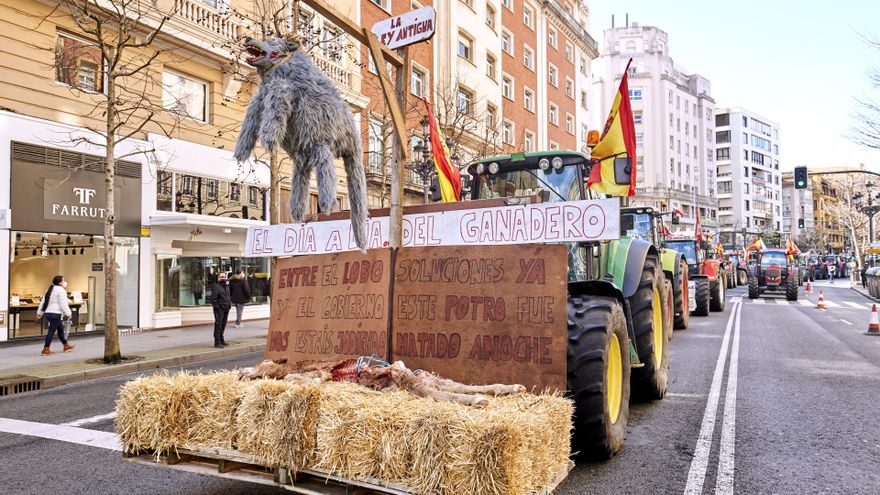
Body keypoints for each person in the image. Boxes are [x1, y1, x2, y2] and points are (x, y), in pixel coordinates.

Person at [35, 275, 75, 356]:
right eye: (63, 281)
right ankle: (46, 349)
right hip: (55, 314)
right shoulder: (61, 290)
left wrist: (39, 312)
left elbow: (43, 302)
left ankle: (66, 345)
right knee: (51, 331)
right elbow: (63, 304)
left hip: (48, 313)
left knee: (60, 329)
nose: (64, 282)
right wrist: (69, 313)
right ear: (60, 282)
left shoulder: (49, 289)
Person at [209, 272, 232, 348]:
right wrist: (218, 307)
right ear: (218, 278)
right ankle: (217, 342)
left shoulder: (227, 286)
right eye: (221, 277)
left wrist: (229, 305)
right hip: (219, 309)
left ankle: (222, 340)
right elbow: (213, 299)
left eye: (224, 277)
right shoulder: (216, 286)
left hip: (226, 308)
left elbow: (228, 296)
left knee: (223, 324)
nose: (223, 278)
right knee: (218, 325)